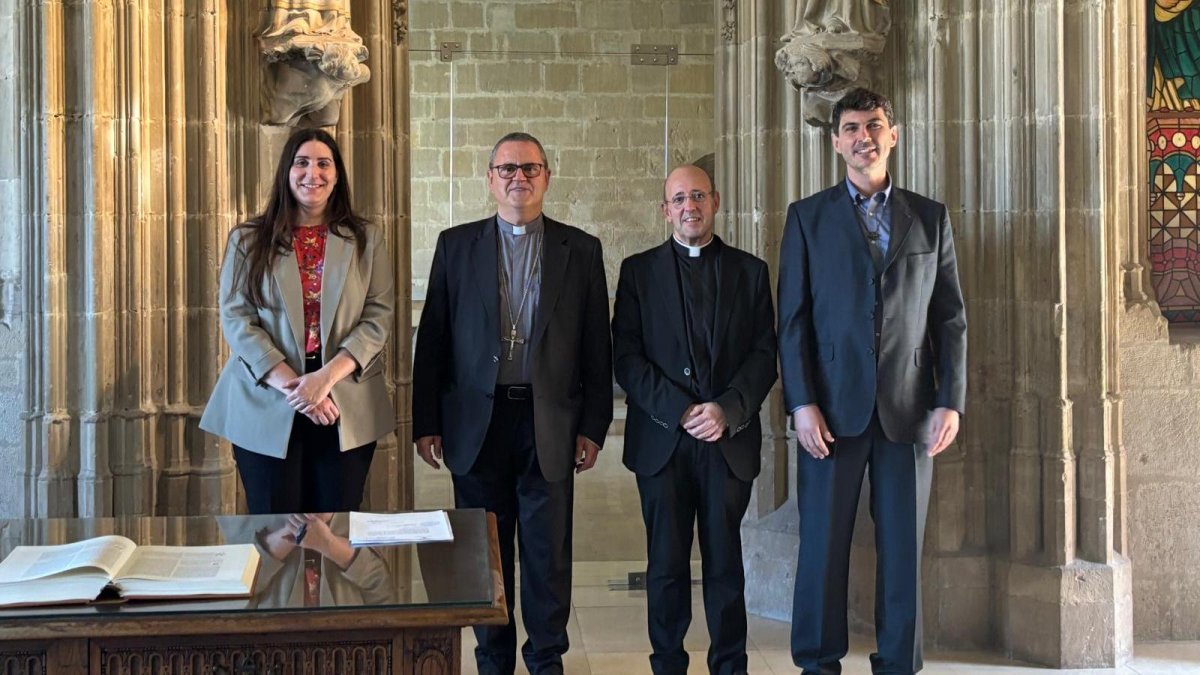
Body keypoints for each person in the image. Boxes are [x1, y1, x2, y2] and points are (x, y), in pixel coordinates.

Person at [777, 87, 967, 675]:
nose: (864, 137)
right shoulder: (807, 217)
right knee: (822, 551)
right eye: (852, 128)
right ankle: (816, 661)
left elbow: (950, 318)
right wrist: (801, 403)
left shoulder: (929, 217)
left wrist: (950, 402)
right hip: (829, 413)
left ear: (894, 134)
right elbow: (792, 322)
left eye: (874, 126)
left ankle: (898, 665)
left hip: (909, 413)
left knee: (903, 554)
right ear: (836, 142)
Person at [411, 132, 613, 675]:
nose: (518, 178)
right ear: (490, 179)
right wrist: (425, 421)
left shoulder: (581, 249)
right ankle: (492, 661)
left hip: (549, 421)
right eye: (507, 169)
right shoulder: (456, 246)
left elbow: (598, 347)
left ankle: (547, 660)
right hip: (478, 422)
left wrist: (594, 425)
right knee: (484, 553)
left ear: (547, 176)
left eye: (530, 168)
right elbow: (432, 339)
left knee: (547, 556)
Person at [612, 165, 777, 675]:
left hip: (726, 442)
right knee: (664, 567)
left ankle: (730, 666)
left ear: (716, 202)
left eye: (698, 196)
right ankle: (667, 664)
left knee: (726, 566)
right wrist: (680, 409)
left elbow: (764, 353)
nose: (690, 206)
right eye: (678, 198)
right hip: (664, 441)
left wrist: (726, 409)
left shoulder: (750, 272)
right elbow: (626, 355)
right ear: (665, 210)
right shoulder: (637, 272)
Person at [201, 128, 395, 515]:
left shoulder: (365, 239)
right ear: (286, 172)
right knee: (276, 529)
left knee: (336, 527)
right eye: (301, 162)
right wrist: (299, 389)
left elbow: (378, 315)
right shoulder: (248, 239)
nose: (313, 173)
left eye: (324, 163)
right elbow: (237, 317)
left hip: (343, 398)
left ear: (337, 174)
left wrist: (323, 381)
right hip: (268, 395)